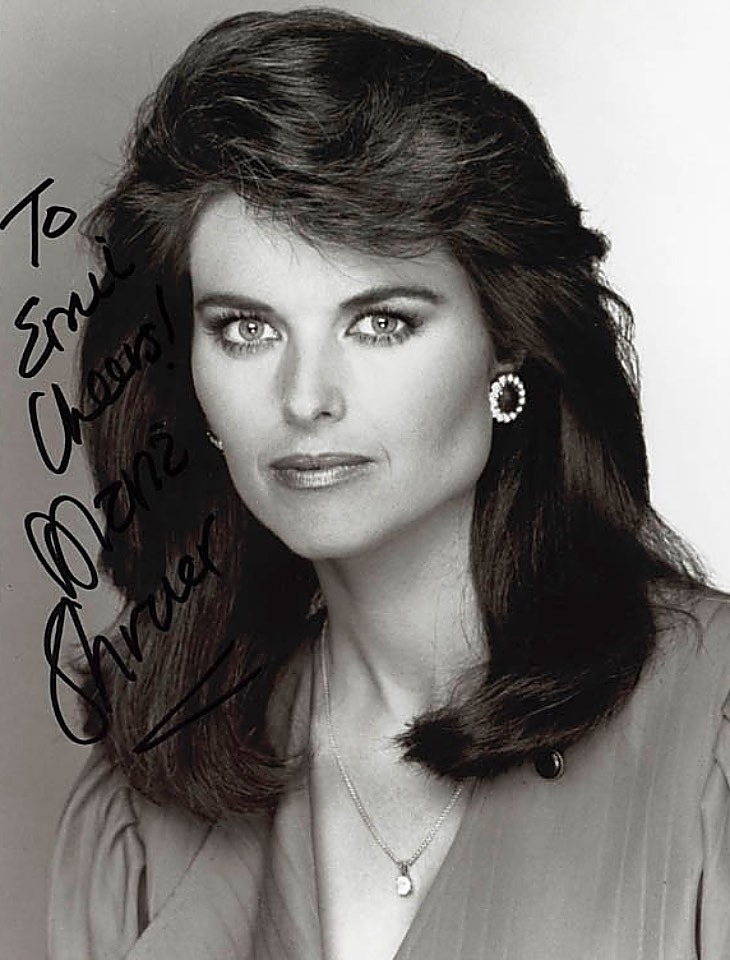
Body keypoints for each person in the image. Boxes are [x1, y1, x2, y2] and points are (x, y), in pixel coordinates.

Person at [48, 8, 729, 960]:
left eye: (380, 323)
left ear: (508, 342)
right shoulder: (150, 793)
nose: (304, 398)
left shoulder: (710, 729)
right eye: (247, 329)